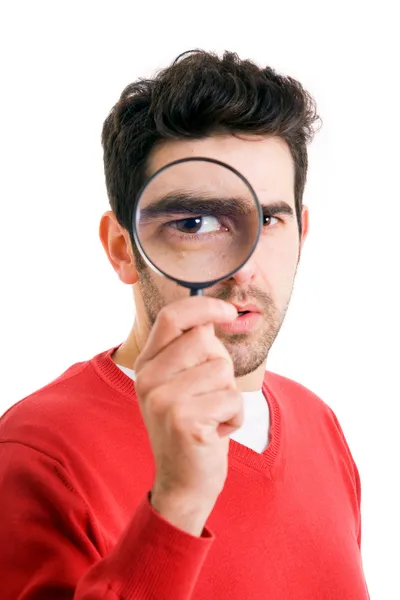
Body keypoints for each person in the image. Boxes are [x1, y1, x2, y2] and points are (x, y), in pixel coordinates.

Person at [0, 50, 370, 599]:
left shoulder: (318, 421)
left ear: (302, 235)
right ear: (123, 248)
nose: (243, 267)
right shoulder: (37, 453)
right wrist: (177, 503)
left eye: (268, 220)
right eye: (195, 222)